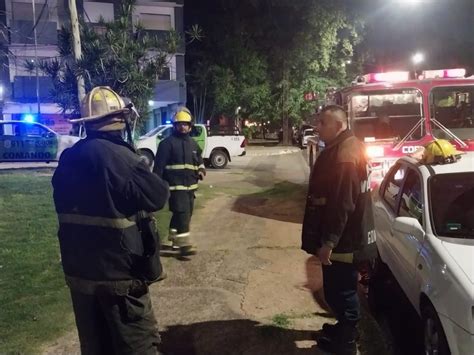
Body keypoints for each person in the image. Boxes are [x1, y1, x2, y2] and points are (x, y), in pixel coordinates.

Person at [52, 86, 169, 354]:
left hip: (80, 276)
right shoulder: (121, 158)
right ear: (121, 119)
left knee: (97, 348)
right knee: (137, 347)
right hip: (119, 278)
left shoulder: (69, 159)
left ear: (89, 124)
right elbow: (158, 196)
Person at [301, 105, 370, 355]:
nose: (317, 127)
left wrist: (329, 242)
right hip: (341, 236)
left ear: (339, 125)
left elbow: (343, 203)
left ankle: (347, 343)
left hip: (343, 239)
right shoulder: (343, 147)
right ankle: (343, 329)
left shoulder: (346, 154)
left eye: (323, 123)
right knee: (334, 288)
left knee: (343, 290)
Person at [153, 107, 205, 256]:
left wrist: (201, 170)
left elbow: (199, 160)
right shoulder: (166, 144)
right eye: (180, 124)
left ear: (190, 126)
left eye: (185, 124)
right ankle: (184, 245)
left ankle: (174, 239)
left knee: (185, 214)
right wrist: (156, 187)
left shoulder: (194, 144)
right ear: (175, 126)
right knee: (182, 212)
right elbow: (158, 167)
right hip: (175, 187)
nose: (183, 126)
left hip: (191, 187)